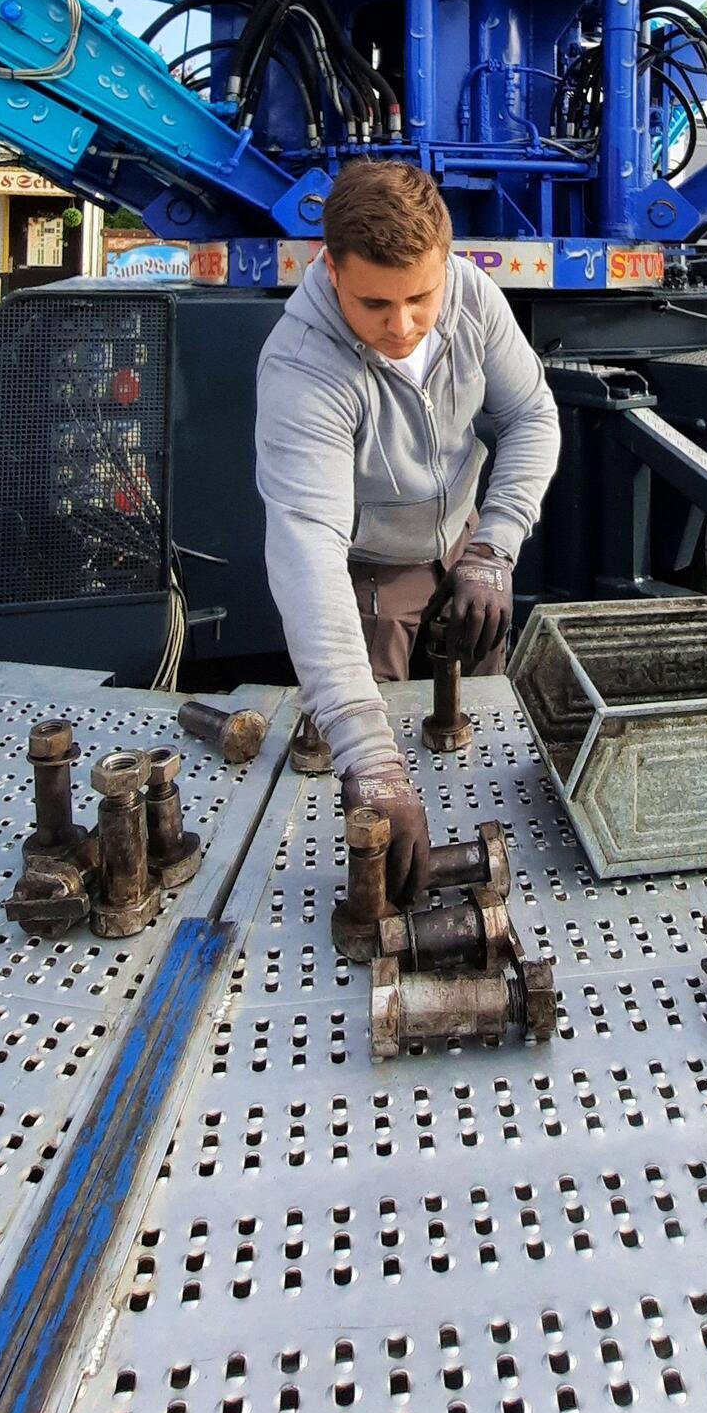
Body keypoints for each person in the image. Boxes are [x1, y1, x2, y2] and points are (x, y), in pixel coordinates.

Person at [255, 162, 561, 905]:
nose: (402, 326)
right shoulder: (302, 367)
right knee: (363, 741)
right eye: (375, 304)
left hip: (465, 541)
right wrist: (370, 758)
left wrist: (493, 548)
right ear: (330, 269)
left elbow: (531, 417)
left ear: (447, 262)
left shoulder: (473, 298)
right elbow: (307, 548)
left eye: (420, 297)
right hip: (367, 569)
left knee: (478, 727)